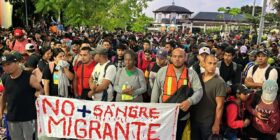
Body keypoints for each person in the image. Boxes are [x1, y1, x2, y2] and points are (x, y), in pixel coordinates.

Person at [151, 48, 203, 140]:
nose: (177, 59)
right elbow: (155, 92)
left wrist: (190, 101)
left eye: (180, 56)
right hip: (164, 115)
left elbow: (199, 91)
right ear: (171, 58)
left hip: (182, 116)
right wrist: (153, 111)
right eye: (174, 56)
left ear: (185, 58)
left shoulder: (192, 74)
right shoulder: (162, 71)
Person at [0, 54, 43, 140]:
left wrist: (39, 93)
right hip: (12, 118)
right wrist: (0, 112)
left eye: (8, 64)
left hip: (29, 118)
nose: (6, 67)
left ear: (17, 63)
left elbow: (40, 89)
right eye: (3, 65)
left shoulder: (29, 77)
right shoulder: (4, 77)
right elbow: (4, 96)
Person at [191, 55, 226, 140]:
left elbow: (220, 105)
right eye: (210, 63)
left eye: (214, 64)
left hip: (208, 122)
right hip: (194, 119)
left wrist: (216, 124)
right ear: (204, 64)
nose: (212, 66)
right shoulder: (197, 77)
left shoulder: (220, 82)